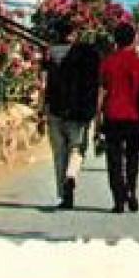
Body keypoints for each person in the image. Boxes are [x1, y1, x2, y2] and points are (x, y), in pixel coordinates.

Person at [42, 20, 101, 210]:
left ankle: (63, 195)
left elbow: (43, 85)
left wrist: (41, 110)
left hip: (55, 110)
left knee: (59, 154)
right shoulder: (84, 54)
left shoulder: (49, 54)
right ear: (73, 35)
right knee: (77, 148)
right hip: (77, 111)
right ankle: (72, 175)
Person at [96, 21, 139, 214]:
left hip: (112, 116)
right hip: (135, 117)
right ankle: (131, 189)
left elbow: (101, 93)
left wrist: (97, 121)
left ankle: (118, 199)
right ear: (133, 40)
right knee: (132, 157)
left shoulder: (107, 63)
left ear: (116, 40)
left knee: (114, 160)